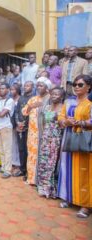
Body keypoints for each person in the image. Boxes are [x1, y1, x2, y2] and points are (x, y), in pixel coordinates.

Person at [58, 74, 92, 218]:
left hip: (84, 140)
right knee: (67, 168)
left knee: (84, 171)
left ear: (89, 87)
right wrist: (66, 122)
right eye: (75, 85)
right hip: (68, 138)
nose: (77, 87)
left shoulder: (90, 103)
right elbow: (60, 117)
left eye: (80, 85)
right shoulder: (69, 101)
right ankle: (70, 198)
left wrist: (80, 123)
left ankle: (86, 205)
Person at [22, 77, 51, 185]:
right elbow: (24, 112)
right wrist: (31, 106)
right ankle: (31, 178)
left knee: (42, 155)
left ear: (47, 87)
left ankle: (40, 180)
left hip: (44, 133)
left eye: (41, 85)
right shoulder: (33, 99)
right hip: (32, 133)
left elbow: (50, 116)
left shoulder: (50, 99)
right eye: (38, 85)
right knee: (32, 155)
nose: (39, 87)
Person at [36, 87, 64, 198]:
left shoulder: (63, 108)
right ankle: (43, 188)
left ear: (61, 97)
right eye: (52, 94)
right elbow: (43, 123)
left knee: (52, 164)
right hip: (45, 138)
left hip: (56, 138)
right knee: (43, 162)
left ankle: (51, 190)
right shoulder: (47, 107)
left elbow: (63, 125)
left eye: (57, 94)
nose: (54, 96)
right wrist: (43, 136)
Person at [0, 83, 14, 178]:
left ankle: (8, 170)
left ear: (8, 90)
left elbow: (2, 114)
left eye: (3, 88)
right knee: (1, 149)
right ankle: (3, 167)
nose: (1, 90)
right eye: (0, 88)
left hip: (6, 127)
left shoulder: (10, 101)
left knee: (7, 149)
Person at [13, 81, 34, 179]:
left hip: (29, 128)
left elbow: (32, 114)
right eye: (25, 85)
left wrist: (24, 123)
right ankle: (22, 169)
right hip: (20, 127)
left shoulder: (34, 99)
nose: (26, 87)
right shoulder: (21, 98)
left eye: (28, 85)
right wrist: (17, 123)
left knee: (28, 150)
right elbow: (17, 111)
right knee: (21, 149)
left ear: (32, 87)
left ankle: (28, 172)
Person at [10, 84, 21, 171]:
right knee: (12, 144)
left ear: (17, 90)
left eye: (13, 90)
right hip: (11, 125)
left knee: (17, 145)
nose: (11, 91)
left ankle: (18, 163)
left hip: (18, 125)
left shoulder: (20, 99)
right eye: (11, 90)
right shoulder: (10, 99)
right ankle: (13, 162)